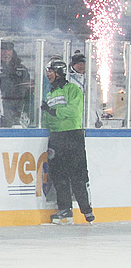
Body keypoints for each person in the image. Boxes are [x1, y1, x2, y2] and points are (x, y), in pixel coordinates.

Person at [41, 59, 94, 225]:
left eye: (50, 71)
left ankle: (86, 209)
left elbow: (74, 111)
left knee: (78, 175)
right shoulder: (49, 94)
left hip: (73, 135)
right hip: (57, 137)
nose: (48, 74)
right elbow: (47, 119)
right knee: (59, 175)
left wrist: (53, 111)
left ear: (59, 72)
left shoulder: (73, 89)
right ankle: (65, 209)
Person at [0, 41, 31, 127]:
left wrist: (25, 110)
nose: (6, 53)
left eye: (9, 50)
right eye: (3, 50)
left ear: (13, 52)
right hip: (0, 109)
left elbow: (27, 92)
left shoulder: (22, 69)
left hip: (18, 109)